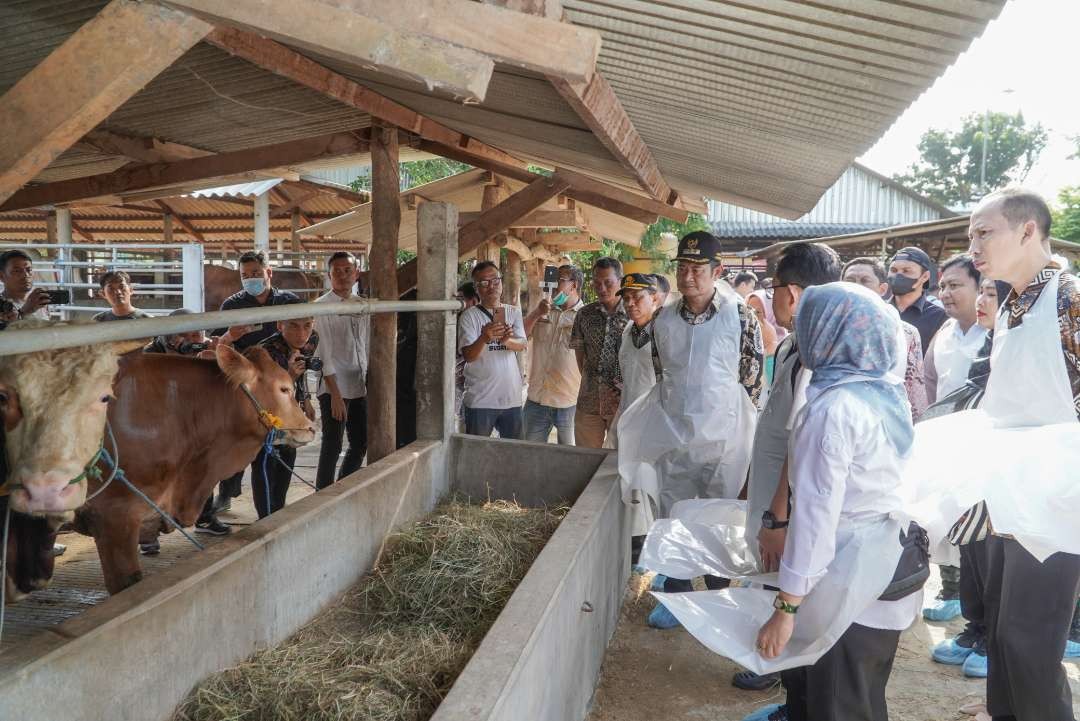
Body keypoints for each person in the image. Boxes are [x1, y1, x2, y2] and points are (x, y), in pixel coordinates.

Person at [904, 188, 1080, 721]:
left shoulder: (1069, 296)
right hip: (1008, 487)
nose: (973, 244)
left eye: (985, 232)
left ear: (1028, 231)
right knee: (1004, 634)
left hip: (1057, 498)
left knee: (1030, 642)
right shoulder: (1010, 302)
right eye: (971, 233)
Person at [743, 283, 920, 721]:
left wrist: (786, 608)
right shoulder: (880, 389)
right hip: (888, 565)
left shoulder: (833, 409)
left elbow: (817, 518)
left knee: (838, 701)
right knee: (860, 695)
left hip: (851, 572)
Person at [617, 231, 763, 627]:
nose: (688, 276)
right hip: (677, 438)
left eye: (698, 269)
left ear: (717, 271)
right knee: (675, 517)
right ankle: (677, 599)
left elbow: (752, 383)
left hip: (725, 441)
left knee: (719, 521)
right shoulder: (663, 319)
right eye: (682, 267)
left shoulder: (741, 316)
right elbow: (664, 376)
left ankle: (715, 600)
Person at [733, 242, 841, 694]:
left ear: (792, 294)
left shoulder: (815, 355)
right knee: (776, 583)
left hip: (788, 510)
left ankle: (782, 672)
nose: (769, 296)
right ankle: (786, 679)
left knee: (789, 589)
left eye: (773, 287)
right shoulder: (798, 342)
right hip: (775, 498)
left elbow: (800, 443)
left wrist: (777, 516)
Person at [211, 251, 302, 511]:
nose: (250, 279)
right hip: (247, 389)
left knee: (285, 442)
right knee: (247, 443)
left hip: (285, 383)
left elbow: (305, 333)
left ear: (268, 273)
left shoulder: (289, 302)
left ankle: (277, 505)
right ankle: (230, 492)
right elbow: (218, 346)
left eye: (255, 274)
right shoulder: (232, 306)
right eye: (244, 276)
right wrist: (230, 334)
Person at [140, 309, 225, 552]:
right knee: (156, 480)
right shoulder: (150, 356)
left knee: (204, 468)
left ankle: (205, 516)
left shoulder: (203, 353)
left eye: (196, 334)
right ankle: (147, 534)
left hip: (193, 425)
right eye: (183, 335)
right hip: (155, 428)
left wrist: (218, 362)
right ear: (169, 336)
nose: (190, 340)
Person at [613, 273, 663, 561]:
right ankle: (636, 544)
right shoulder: (628, 330)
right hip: (629, 415)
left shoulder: (662, 332)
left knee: (649, 482)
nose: (631, 303)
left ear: (654, 298)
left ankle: (648, 547)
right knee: (631, 481)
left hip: (654, 419)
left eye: (638, 297)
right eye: (627, 298)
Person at [842, 257, 929, 421]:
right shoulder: (829, 329)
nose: (856, 286)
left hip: (886, 422)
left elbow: (914, 390)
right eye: (850, 280)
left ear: (882, 289)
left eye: (865, 281)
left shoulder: (906, 333)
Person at [312, 251, 369, 489]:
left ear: (357, 274)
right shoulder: (321, 307)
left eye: (348, 270)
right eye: (337, 271)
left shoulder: (364, 306)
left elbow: (369, 345)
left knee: (360, 442)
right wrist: (335, 394)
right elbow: (323, 353)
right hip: (335, 385)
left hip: (361, 384)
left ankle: (342, 487)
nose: (343, 275)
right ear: (329, 275)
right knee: (333, 444)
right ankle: (322, 493)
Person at [253, 317, 318, 517]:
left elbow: (302, 369)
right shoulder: (265, 352)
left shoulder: (311, 341)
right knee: (266, 461)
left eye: (307, 326)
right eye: (294, 326)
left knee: (287, 460)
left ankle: (278, 511)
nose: (302, 333)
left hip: (290, 413)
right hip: (267, 417)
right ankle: (265, 518)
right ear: (280, 325)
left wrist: (306, 399)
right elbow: (262, 392)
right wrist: (289, 376)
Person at [458, 260, 527, 438]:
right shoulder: (469, 316)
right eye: (484, 282)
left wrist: (507, 340)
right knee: (477, 455)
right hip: (480, 400)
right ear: (476, 288)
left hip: (511, 399)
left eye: (495, 280)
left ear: (501, 282)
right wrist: (484, 338)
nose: (491, 286)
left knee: (513, 456)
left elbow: (522, 345)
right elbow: (468, 356)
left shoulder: (513, 312)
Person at [522, 265, 584, 445]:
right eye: (552, 280)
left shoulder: (585, 315)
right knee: (529, 454)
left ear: (574, 285)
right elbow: (521, 335)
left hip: (569, 403)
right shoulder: (542, 311)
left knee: (570, 459)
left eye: (560, 280)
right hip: (536, 400)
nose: (554, 285)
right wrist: (536, 313)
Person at [570, 257, 627, 448]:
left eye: (608, 283)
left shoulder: (634, 313)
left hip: (622, 404)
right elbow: (580, 355)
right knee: (584, 459)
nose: (601, 288)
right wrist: (592, 382)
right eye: (596, 282)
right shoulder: (584, 314)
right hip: (589, 402)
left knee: (619, 461)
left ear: (621, 281)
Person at [924, 254, 987, 405]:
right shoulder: (944, 331)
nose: (944, 294)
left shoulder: (997, 331)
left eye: (953, 286)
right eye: (942, 287)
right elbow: (929, 382)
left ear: (980, 288)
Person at [886, 246, 947, 354]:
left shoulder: (939, 317)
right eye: (893, 270)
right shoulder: (879, 310)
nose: (898, 275)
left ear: (925, 276)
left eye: (906, 271)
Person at [454, 282, 480, 428]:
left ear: (474, 301)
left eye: (461, 299)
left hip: (468, 385)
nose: (457, 304)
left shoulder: (470, 321)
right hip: (458, 383)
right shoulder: (458, 321)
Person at [0, 249, 51, 321]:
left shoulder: (39, 301)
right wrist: (25, 312)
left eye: (29, 270)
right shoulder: (2, 305)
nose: (26, 275)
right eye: (17, 271)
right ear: (1, 276)